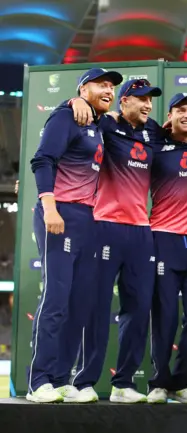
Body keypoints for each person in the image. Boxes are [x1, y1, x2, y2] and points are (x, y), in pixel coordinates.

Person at [27, 67, 123, 403]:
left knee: (79, 304)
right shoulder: (66, 116)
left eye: (112, 86)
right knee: (56, 300)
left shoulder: (97, 124)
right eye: (102, 84)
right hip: (61, 212)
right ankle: (38, 381)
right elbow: (42, 160)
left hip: (89, 219)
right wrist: (49, 207)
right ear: (83, 88)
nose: (109, 89)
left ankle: (61, 379)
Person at [68, 78, 163, 403]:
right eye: (141, 100)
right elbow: (71, 120)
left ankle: (124, 383)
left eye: (150, 100)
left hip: (141, 231)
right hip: (105, 226)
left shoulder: (154, 132)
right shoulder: (106, 124)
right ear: (124, 101)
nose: (148, 105)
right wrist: (73, 102)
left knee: (138, 309)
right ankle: (84, 382)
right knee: (96, 308)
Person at [145, 93, 187, 404]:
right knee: (166, 317)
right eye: (180, 110)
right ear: (170, 114)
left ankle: (182, 382)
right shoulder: (155, 144)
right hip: (163, 238)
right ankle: (159, 383)